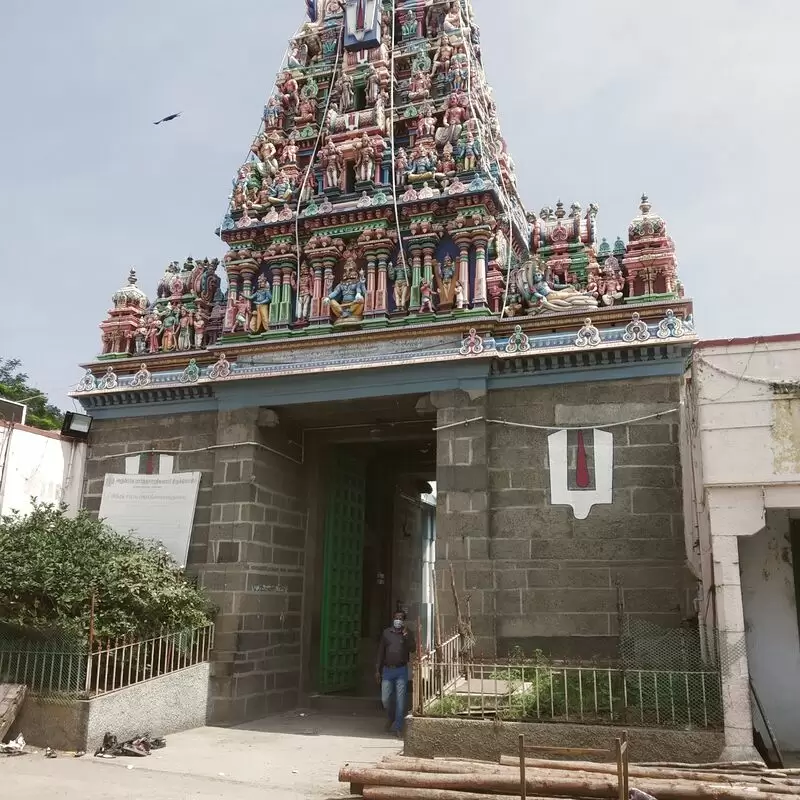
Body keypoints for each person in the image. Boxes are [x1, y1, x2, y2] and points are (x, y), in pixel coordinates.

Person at [375, 611, 416, 736]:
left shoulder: (408, 633)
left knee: (400, 700)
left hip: (401, 670)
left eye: (401, 618)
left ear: (403, 621)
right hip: (387, 670)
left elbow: (413, 649)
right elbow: (381, 652)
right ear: (393, 619)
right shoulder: (387, 633)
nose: (398, 620)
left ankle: (398, 727)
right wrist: (377, 669)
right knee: (385, 699)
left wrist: (406, 637)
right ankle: (391, 716)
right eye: (396, 618)